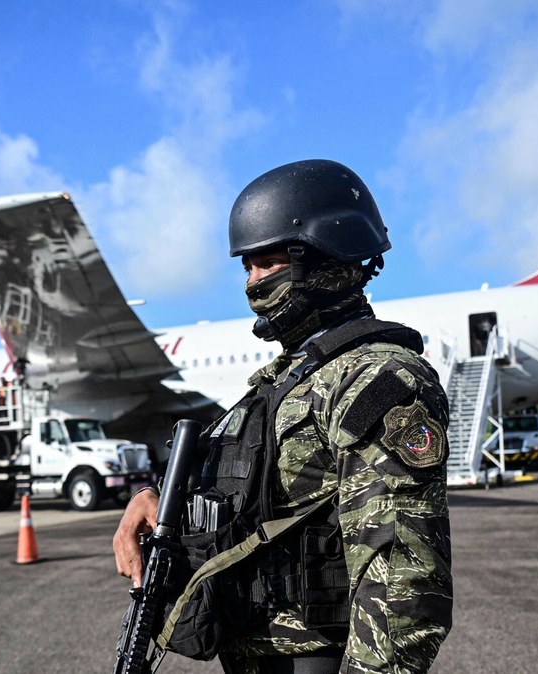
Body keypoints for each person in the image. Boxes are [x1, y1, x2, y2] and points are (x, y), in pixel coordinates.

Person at [113, 159, 453, 673]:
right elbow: (252, 500)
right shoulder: (284, 382)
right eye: (246, 266)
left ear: (322, 254)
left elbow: (402, 575)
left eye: (266, 263)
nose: (251, 282)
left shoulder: (375, 379)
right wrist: (153, 500)